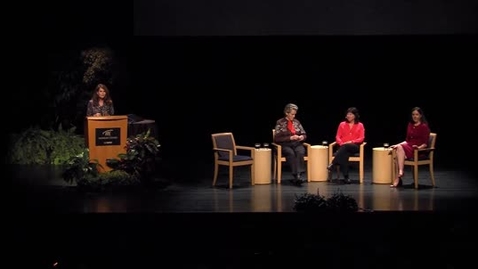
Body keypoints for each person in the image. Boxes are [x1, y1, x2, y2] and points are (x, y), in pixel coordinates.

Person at [389, 107, 430, 188]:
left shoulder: (424, 127)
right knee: (398, 148)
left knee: (398, 155)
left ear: (420, 115)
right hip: (409, 147)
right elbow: (407, 141)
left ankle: (398, 178)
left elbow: (425, 144)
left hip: (417, 151)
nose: (415, 116)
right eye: (413, 115)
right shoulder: (410, 125)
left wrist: (418, 147)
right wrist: (397, 144)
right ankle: (400, 172)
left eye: (417, 114)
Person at [327, 107, 365, 184]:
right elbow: (337, 136)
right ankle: (346, 178)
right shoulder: (342, 124)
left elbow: (362, 138)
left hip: (354, 146)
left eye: (350, 114)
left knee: (345, 147)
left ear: (355, 115)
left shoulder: (360, 125)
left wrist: (351, 141)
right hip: (343, 147)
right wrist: (341, 143)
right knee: (345, 154)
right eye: (347, 114)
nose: (348, 116)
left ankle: (333, 164)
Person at [274, 103, 307, 185]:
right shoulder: (280, 122)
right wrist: (290, 138)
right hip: (285, 144)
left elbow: (304, 134)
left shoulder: (297, 122)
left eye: (295, 114)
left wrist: (302, 137)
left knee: (300, 151)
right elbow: (276, 138)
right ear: (286, 113)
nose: (294, 116)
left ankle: (299, 174)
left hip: (296, 143)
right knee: (290, 153)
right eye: (292, 114)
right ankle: (296, 175)